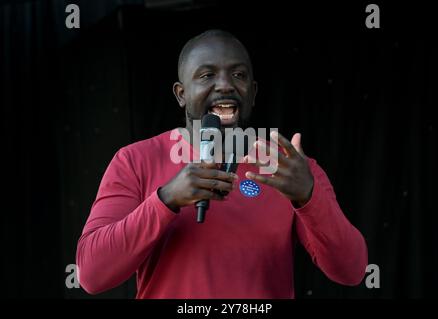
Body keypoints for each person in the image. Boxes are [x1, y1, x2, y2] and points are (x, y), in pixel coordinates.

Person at [76, 29, 368, 298]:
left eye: (238, 75)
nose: (226, 85)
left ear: (253, 92)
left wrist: (309, 196)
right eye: (206, 75)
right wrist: (166, 200)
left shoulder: (288, 166)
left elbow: (351, 271)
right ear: (181, 94)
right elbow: (92, 274)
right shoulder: (135, 160)